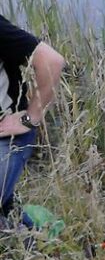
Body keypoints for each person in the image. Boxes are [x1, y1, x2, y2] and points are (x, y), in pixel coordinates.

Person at [0, 15, 65, 228]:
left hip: (7, 137)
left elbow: (51, 61)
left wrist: (31, 118)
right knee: (8, 214)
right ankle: (29, 233)